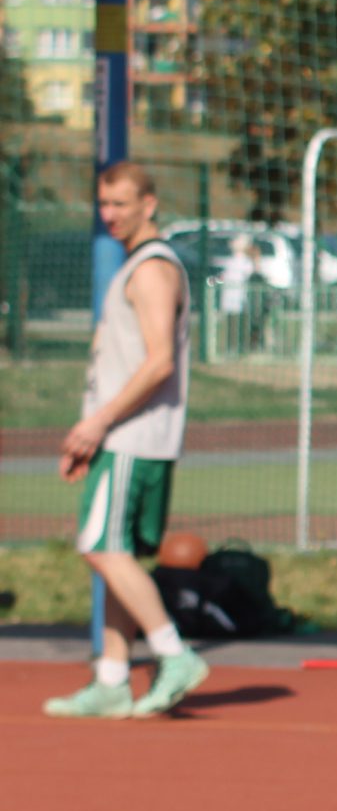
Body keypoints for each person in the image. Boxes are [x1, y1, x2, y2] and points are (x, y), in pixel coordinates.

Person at [43, 162, 211, 720]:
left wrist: (98, 424)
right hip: (123, 437)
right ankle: (113, 680)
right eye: (104, 204)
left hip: (132, 438)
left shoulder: (152, 269)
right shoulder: (137, 266)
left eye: (120, 203)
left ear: (149, 204)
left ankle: (174, 653)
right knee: (115, 553)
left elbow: (159, 362)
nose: (109, 214)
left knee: (101, 547)